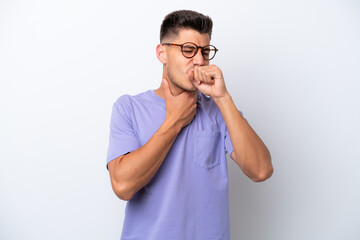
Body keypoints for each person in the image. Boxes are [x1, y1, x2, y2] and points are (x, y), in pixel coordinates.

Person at [106, 9, 273, 240]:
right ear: (162, 53)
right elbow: (122, 185)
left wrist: (223, 98)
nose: (199, 60)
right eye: (188, 50)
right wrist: (175, 120)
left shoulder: (218, 110)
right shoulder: (129, 108)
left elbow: (261, 170)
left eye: (205, 51)